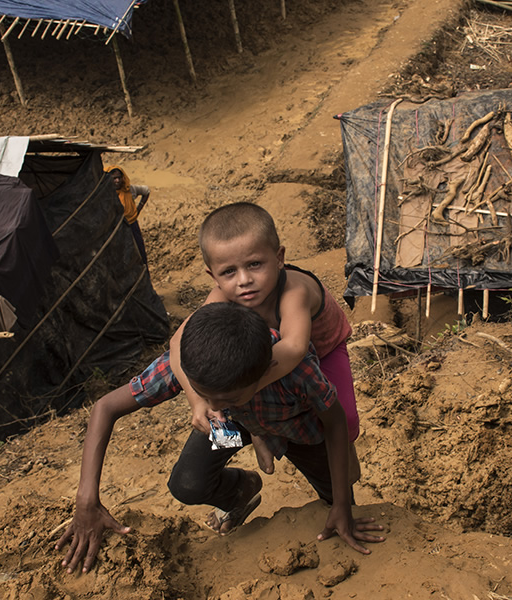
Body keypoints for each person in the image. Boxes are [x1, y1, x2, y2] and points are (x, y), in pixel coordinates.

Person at [55, 303, 385, 574]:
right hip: (238, 422)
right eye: (203, 395)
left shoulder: (294, 368)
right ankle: (242, 491)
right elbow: (105, 407)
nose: (210, 408)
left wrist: (342, 504)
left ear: (266, 371)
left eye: (223, 398)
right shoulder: (198, 359)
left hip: (298, 428)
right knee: (187, 483)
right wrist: (86, 502)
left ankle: (336, 500)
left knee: (336, 504)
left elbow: (335, 420)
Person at [168, 202, 361, 480]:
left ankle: (345, 468)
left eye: (255, 264)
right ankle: (251, 442)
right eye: (229, 272)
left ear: (279, 257)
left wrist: (245, 387)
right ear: (213, 276)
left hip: (323, 351)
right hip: (261, 357)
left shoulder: (294, 290)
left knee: (344, 417)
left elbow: (294, 348)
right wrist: (198, 400)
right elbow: (177, 343)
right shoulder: (221, 296)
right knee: (220, 398)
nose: (244, 280)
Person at [105, 165, 149, 262]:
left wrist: (139, 208)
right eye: (114, 178)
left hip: (132, 226)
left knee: (139, 251)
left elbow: (146, 191)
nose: (117, 181)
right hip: (116, 229)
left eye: (119, 178)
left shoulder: (129, 190)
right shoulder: (105, 195)